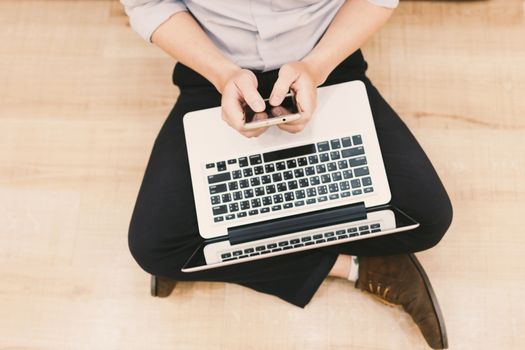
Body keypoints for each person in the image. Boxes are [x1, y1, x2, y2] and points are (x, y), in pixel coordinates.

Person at [121, 0, 453, 348]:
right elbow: (149, 3)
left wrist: (315, 67)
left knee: (429, 218)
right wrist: (222, 74)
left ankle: (233, 250)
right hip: (212, 73)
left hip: (324, 60)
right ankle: (356, 267)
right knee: (154, 248)